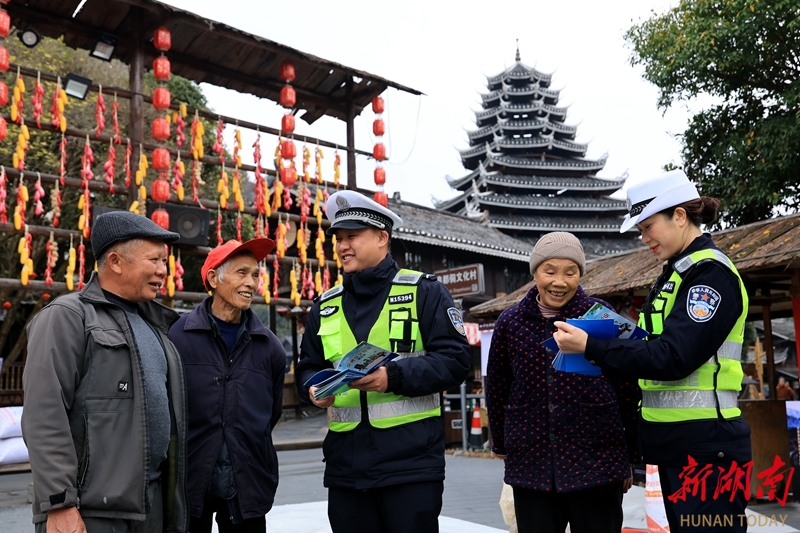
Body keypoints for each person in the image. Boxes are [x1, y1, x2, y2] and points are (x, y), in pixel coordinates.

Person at [553, 169, 752, 533]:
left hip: (707, 448)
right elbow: (652, 345)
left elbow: (673, 357)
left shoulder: (709, 274)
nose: (644, 238)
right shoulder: (677, 271)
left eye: (647, 227)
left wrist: (592, 346)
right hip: (678, 445)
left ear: (679, 216)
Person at [296, 190, 471, 533]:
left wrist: (392, 376)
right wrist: (313, 389)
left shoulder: (425, 292)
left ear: (381, 238)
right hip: (345, 470)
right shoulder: (324, 305)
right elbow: (307, 366)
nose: (343, 246)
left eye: (353, 237)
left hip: (411, 468)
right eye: (339, 238)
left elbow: (455, 361)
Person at [22, 211, 188, 533]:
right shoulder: (67, 317)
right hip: (89, 513)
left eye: (164, 262)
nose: (162, 271)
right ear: (115, 261)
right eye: (154, 260)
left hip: (148, 508)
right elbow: (44, 416)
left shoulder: (155, 327)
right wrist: (60, 502)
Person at [485, 232, 640, 533]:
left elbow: (627, 387)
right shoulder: (510, 322)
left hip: (598, 463)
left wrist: (629, 459)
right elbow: (498, 387)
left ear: (580, 275)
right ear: (535, 273)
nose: (560, 282)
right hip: (532, 464)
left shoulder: (600, 318)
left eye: (571, 272)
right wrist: (501, 444)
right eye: (550, 271)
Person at [168, 237, 285, 533]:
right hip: (191, 481)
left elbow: (270, 413)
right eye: (241, 273)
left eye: (256, 274)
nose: (251, 282)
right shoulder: (177, 337)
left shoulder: (269, 346)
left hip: (248, 481)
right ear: (213, 279)